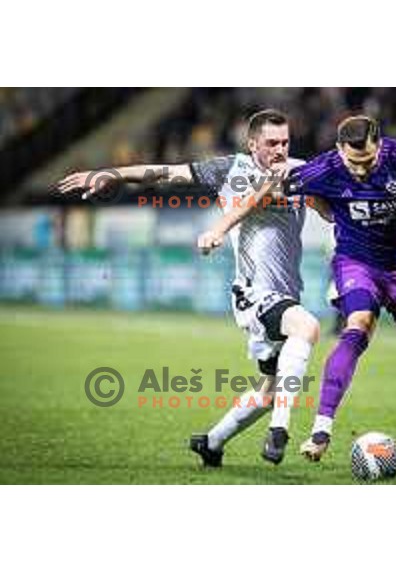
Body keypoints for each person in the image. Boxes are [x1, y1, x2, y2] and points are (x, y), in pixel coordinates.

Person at [56, 109, 321, 466]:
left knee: (273, 390)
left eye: (285, 142)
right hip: (254, 292)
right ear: (252, 143)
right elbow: (166, 172)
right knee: (307, 327)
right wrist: (114, 174)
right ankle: (280, 430)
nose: (280, 149)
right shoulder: (232, 170)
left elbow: (335, 209)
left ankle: (211, 443)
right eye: (272, 143)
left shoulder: (301, 171)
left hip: (286, 291)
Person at [211, 115, 396, 468]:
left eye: (368, 162)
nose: (361, 171)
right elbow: (263, 191)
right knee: (357, 326)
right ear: (338, 150)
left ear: (379, 147)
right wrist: (221, 228)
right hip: (356, 262)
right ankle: (322, 429)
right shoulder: (324, 168)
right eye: (353, 163)